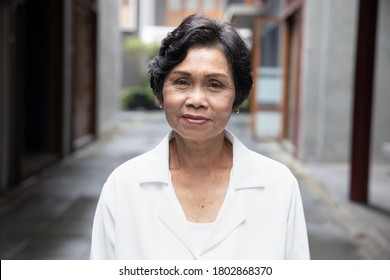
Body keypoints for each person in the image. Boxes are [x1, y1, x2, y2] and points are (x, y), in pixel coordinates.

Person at [90, 13, 310, 260]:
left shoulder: (278, 186)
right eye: (182, 82)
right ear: (161, 93)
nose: (196, 100)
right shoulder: (123, 186)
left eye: (215, 84)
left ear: (237, 98)